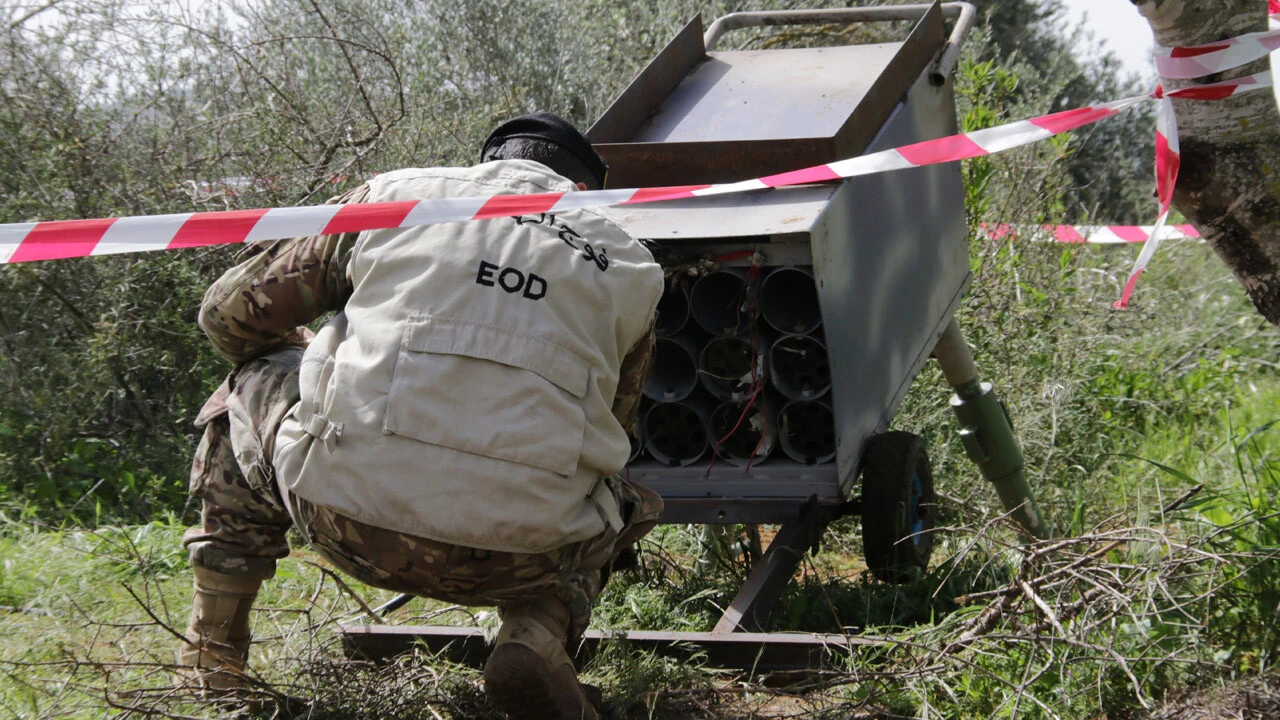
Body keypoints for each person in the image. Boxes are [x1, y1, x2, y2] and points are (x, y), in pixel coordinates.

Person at [177, 112, 665, 720]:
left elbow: (229, 315)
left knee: (242, 391)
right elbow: (619, 423)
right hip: (523, 559)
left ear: (481, 164)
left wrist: (310, 362)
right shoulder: (632, 263)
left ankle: (215, 662)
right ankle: (536, 635)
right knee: (610, 490)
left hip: (344, 519)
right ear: (587, 193)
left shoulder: (398, 197)